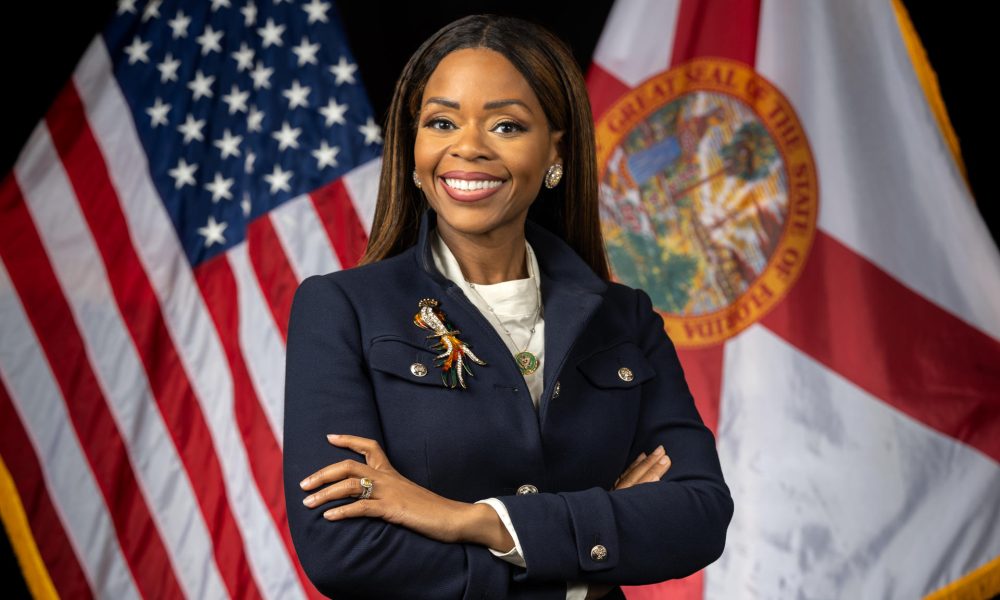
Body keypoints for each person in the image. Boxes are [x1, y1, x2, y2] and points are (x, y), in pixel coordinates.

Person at [282, 13, 733, 600]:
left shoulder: (626, 320)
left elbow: (697, 515)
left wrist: (473, 521)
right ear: (413, 149)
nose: (467, 147)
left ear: (556, 151)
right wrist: (581, 572)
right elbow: (341, 550)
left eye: (506, 126)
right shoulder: (340, 308)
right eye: (442, 121)